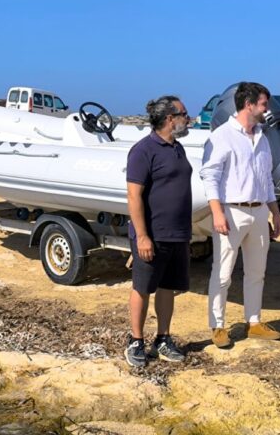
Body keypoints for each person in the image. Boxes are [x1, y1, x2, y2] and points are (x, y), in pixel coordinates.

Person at [200, 82, 280, 349]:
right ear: (248, 104)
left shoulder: (263, 137)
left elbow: (267, 179)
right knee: (223, 273)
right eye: (263, 104)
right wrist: (217, 213)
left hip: (259, 212)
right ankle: (218, 326)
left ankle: (254, 322)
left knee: (257, 272)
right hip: (231, 211)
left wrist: (276, 214)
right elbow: (210, 176)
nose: (266, 109)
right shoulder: (221, 136)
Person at [125, 95, 193, 367]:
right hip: (151, 235)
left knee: (168, 288)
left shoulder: (178, 148)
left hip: (177, 235)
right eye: (184, 114)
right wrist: (142, 235)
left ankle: (163, 338)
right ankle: (136, 340)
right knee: (142, 288)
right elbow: (133, 196)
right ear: (169, 119)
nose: (188, 119)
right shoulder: (143, 151)